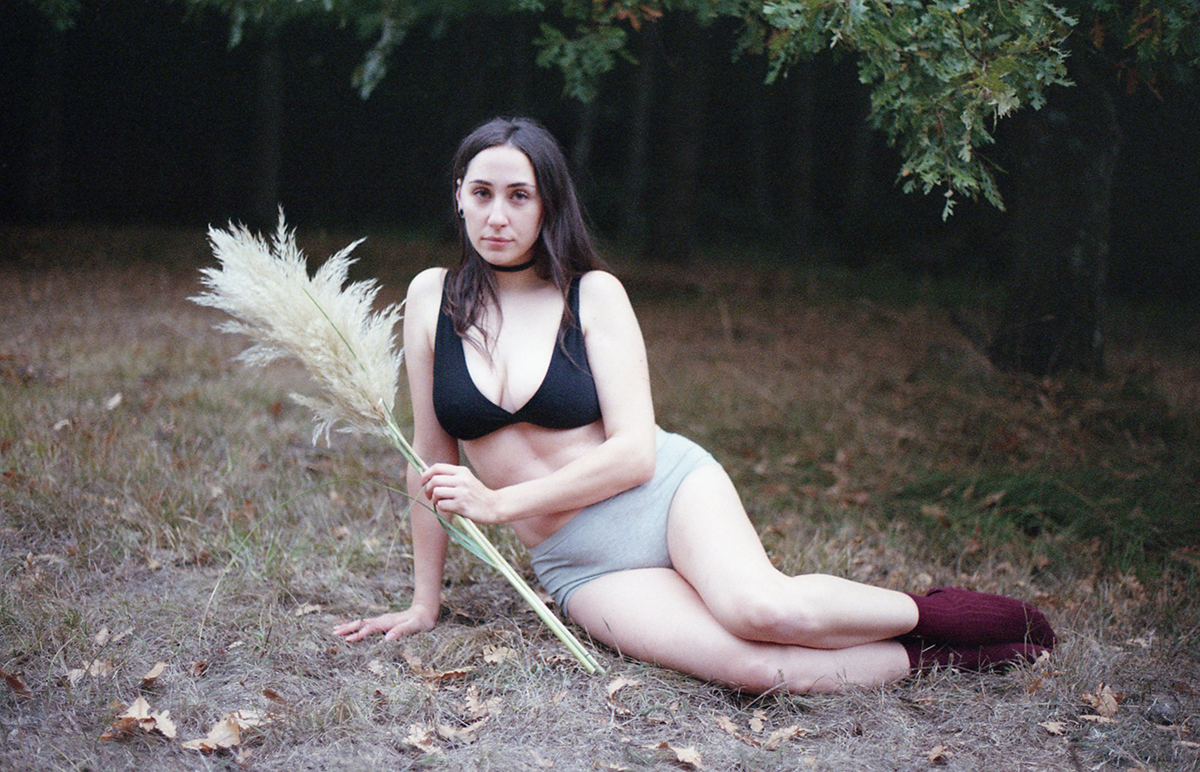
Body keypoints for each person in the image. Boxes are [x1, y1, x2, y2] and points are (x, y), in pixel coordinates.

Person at [333, 117, 1055, 694]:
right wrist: (425, 603)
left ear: (548, 203)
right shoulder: (431, 298)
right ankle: (945, 658)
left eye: (519, 195)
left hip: (662, 497)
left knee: (761, 609)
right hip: (579, 563)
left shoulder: (592, 294)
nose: (497, 215)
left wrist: (498, 504)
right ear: (458, 195)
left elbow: (635, 453)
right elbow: (429, 457)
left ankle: (942, 615)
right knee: (760, 669)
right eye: (482, 193)